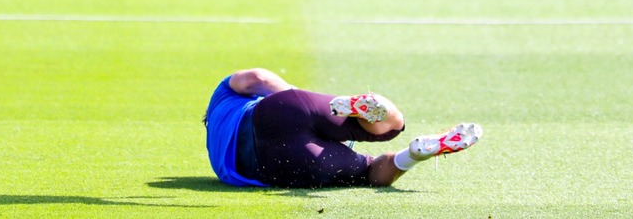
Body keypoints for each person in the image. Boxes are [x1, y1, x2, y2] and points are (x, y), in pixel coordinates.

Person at [203, 68, 482, 188]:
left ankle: (414, 155)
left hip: (272, 167)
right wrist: (300, 100)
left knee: (369, 172)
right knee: (393, 125)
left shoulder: (217, 157)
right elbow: (255, 77)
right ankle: (352, 109)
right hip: (277, 113)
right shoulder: (221, 100)